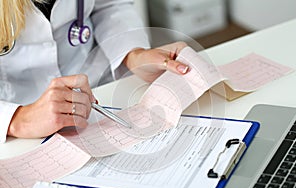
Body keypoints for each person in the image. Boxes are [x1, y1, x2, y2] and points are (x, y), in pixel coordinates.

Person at [0, 0, 190, 143]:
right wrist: (17, 119)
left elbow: (109, 5)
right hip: (18, 126)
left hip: (97, 94)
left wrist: (133, 55)